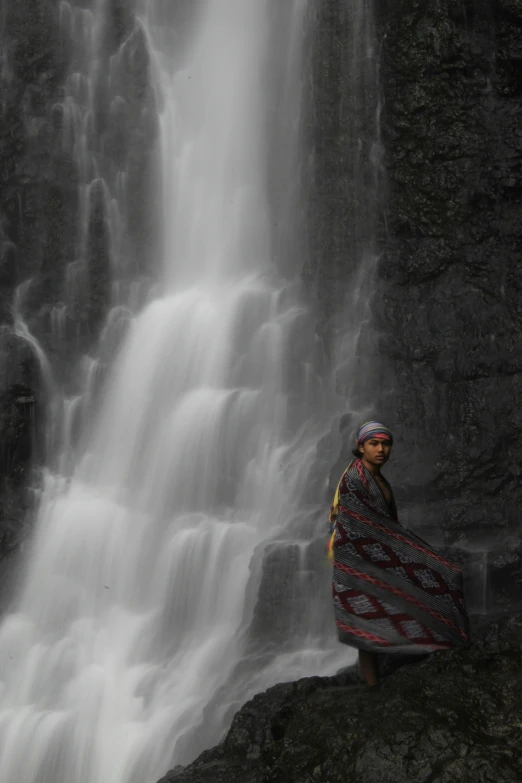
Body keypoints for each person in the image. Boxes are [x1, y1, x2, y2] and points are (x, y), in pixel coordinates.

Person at [328, 421, 470, 687]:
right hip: (357, 560)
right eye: (374, 443)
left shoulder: (379, 480)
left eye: (386, 444)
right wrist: (404, 551)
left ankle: (438, 644)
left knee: (447, 577)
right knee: (365, 624)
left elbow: (385, 525)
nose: (381, 449)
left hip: (377, 553)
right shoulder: (354, 480)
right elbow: (360, 525)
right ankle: (372, 688)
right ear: (360, 447)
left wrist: (404, 548)